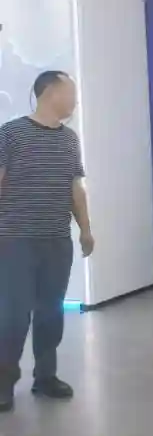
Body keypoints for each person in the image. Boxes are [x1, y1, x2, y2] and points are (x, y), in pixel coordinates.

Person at [0, 71, 93, 413]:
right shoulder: (10, 133)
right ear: (50, 92)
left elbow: (75, 189)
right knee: (13, 315)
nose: (75, 101)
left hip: (56, 240)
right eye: (71, 93)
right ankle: (4, 383)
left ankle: (46, 376)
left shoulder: (69, 139)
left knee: (51, 312)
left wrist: (85, 229)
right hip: (15, 240)